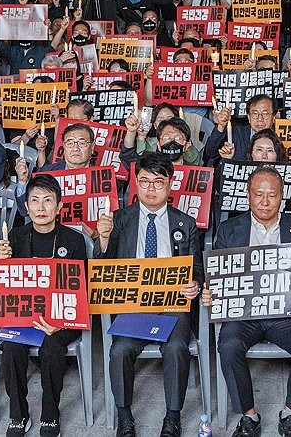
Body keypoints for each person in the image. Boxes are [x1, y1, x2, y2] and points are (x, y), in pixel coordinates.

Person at [203, 167, 291, 437]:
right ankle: (249, 415)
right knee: (229, 344)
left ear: (282, 196)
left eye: (272, 195)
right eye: (259, 194)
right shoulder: (230, 229)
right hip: (244, 314)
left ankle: (290, 414)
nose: (265, 201)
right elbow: (218, 276)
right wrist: (211, 291)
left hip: (287, 314)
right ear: (248, 195)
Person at [95, 154, 203, 437]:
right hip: (132, 305)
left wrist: (194, 284)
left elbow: (197, 269)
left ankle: (172, 417)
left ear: (170, 185)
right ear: (135, 184)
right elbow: (102, 272)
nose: (151, 189)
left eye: (158, 182)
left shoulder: (186, 223)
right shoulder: (119, 220)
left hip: (172, 305)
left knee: (178, 349)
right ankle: (124, 415)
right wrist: (104, 240)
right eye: (144, 182)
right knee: (119, 350)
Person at [0, 175, 88, 437]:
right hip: (23, 315)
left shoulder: (73, 240)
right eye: (35, 201)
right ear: (26, 206)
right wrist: (1, 261)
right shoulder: (15, 236)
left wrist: (59, 321)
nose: (41, 208)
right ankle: (18, 414)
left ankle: (50, 413)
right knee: (12, 347)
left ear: (59, 207)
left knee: (51, 348)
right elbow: (2, 286)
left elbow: (81, 290)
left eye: (48, 201)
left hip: (62, 316)